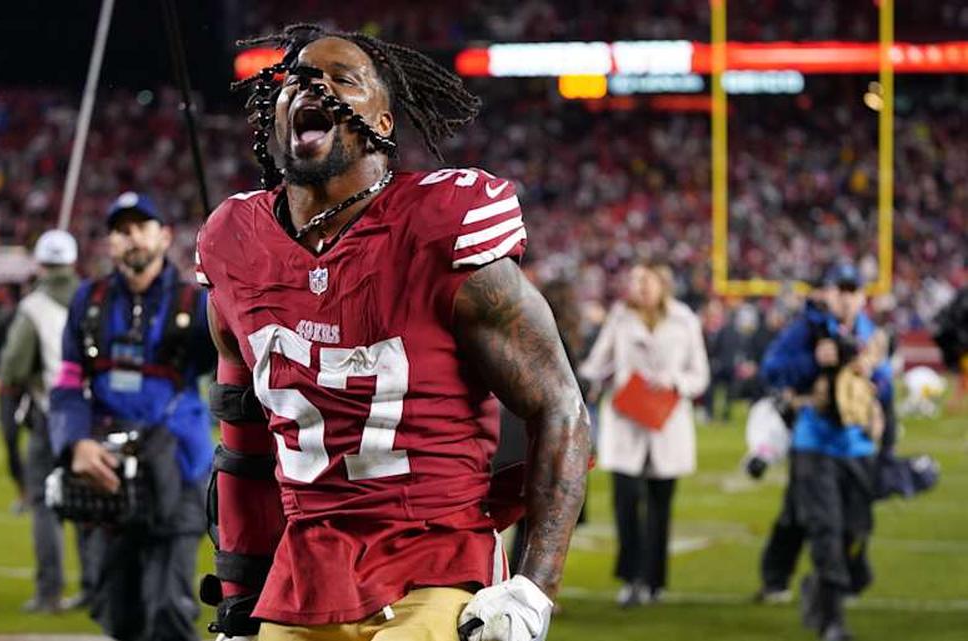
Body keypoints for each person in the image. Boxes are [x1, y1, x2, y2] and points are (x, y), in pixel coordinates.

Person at [197, 24, 590, 641]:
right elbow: (243, 447)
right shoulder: (235, 244)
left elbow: (559, 407)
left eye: (340, 78)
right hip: (304, 579)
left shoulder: (439, 227)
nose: (312, 87)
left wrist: (533, 589)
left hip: (435, 566)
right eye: (297, 77)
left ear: (383, 120)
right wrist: (239, 602)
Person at [49, 193, 216, 641]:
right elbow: (67, 384)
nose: (131, 236)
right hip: (108, 472)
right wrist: (75, 442)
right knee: (117, 612)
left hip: (179, 468)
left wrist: (230, 296)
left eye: (142, 226)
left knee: (168, 611)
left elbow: (232, 357)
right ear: (110, 243)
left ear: (164, 236)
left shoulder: (196, 302)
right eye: (121, 229)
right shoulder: (89, 301)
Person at [759, 264, 888, 641]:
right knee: (826, 531)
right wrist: (814, 361)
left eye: (853, 290)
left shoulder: (871, 334)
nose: (846, 297)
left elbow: (884, 389)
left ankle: (821, 591)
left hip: (859, 446)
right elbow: (772, 370)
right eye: (839, 289)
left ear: (862, 296)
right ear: (827, 295)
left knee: (856, 530)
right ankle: (831, 622)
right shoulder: (808, 329)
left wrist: (876, 390)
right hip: (814, 446)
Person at [578, 262, 709, 607]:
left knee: (660, 506)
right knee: (625, 503)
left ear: (662, 284)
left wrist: (674, 382)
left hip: (667, 422)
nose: (640, 287)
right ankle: (630, 578)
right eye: (635, 281)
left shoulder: (685, 320)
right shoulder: (620, 317)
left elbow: (700, 375)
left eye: (646, 280)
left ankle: (654, 581)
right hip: (626, 421)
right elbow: (598, 361)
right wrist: (585, 379)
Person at [0, 229, 94, 613]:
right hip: (92, 414)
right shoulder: (94, 297)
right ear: (72, 262)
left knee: (45, 504)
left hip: (52, 414)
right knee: (91, 504)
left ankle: (49, 592)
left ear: (40, 263)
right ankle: (94, 588)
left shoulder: (34, 306)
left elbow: (12, 367)